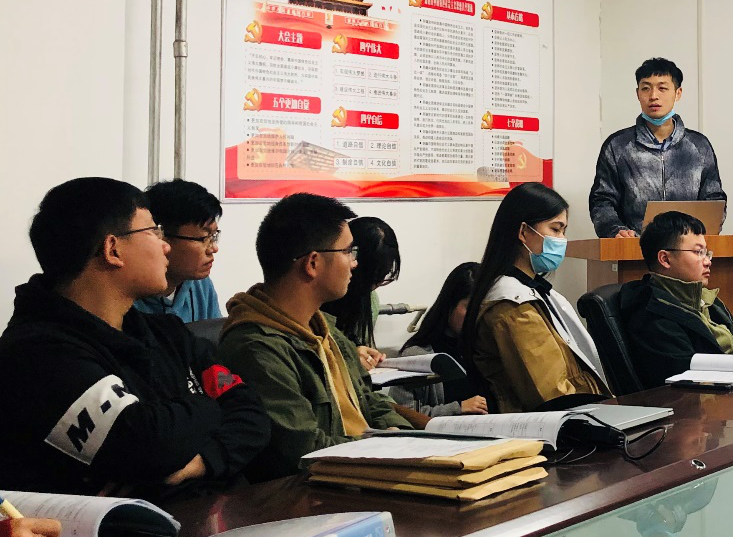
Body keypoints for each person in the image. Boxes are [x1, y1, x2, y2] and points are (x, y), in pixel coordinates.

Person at [0, 178, 268, 500]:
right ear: (113, 249)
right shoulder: (39, 354)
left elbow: (252, 414)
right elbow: (152, 446)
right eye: (154, 232)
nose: (165, 246)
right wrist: (209, 403)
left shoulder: (167, 333)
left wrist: (201, 463)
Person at [217, 193, 419, 480]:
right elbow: (304, 449)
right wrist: (383, 448)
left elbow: (370, 400)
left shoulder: (326, 329)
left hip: (366, 471)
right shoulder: (257, 348)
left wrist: (404, 439)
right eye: (348, 252)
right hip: (320, 489)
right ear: (312, 263)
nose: (354, 263)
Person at [464, 182, 610, 412]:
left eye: (564, 231)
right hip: (548, 423)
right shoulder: (512, 305)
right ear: (523, 232)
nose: (562, 239)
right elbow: (552, 394)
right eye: (555, 229)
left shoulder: (537, 291)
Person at [589, 57, 726, 238]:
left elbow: (714, 200)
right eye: (646, 88)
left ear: (678, 93)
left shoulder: (699, 146)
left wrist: (701, 233)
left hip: (688, 247)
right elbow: (602, 200)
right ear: (637, 94)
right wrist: (616, 231)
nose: (653, 96)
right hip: (634, 247)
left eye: (662, 88)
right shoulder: (618, 146)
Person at [618, 211, 733, 387]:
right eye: (698, 252)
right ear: (665, 259)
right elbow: (684, 381)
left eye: (706, 253)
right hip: (702, 401)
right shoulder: (653, 315)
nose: (708, 261)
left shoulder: (708, 301)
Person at [397, 262, 488, 416]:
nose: (476, 316)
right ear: (449, 304)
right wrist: (458, 408)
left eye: (483, 308)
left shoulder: (485, 349)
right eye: (469, 308)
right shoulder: (417, 355)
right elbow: (402, 413)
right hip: (445, 431)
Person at [133, 179, 223, 322]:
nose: (213, 249)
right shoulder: (127, 294)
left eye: (213, 236)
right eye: (203, 238)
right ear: (161, 237)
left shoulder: (200, 284)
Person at [321, 216, 401, 373]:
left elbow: (359, 348)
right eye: (372, 276)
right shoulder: (320, 297)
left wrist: (367, 356)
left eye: (382, 276)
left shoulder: (370, 300)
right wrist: (349, 358)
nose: (375, 285)